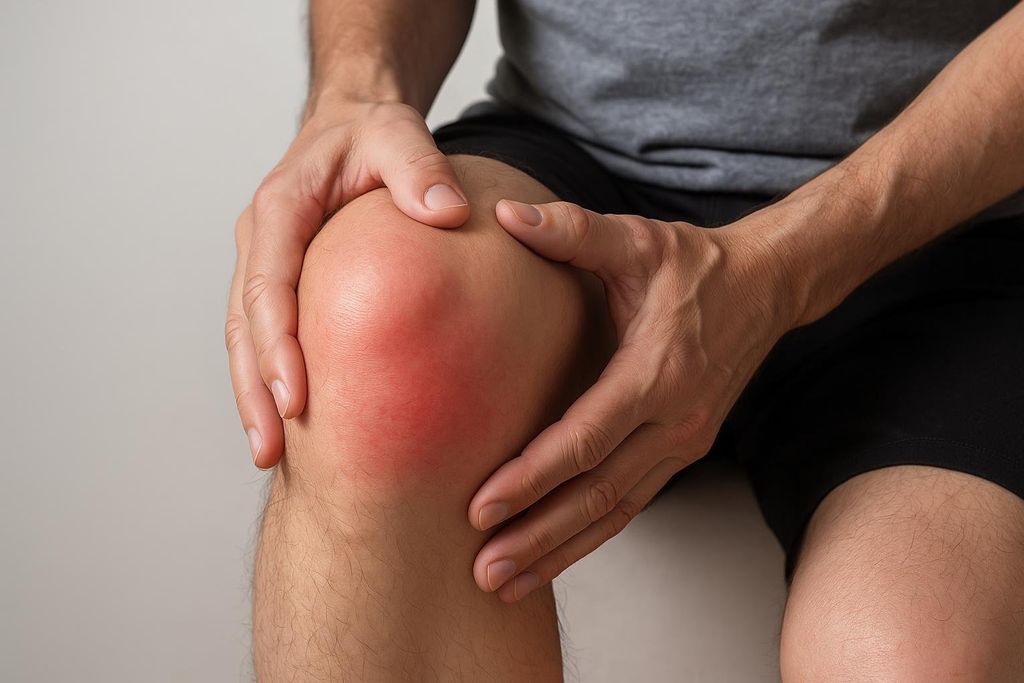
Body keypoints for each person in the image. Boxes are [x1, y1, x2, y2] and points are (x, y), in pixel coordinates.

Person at [225, 0, 1024, 678]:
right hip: (579, 162)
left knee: (916, 656)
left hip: (953, 202)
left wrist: (783, 270)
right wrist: (356, 91)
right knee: (380, 307)